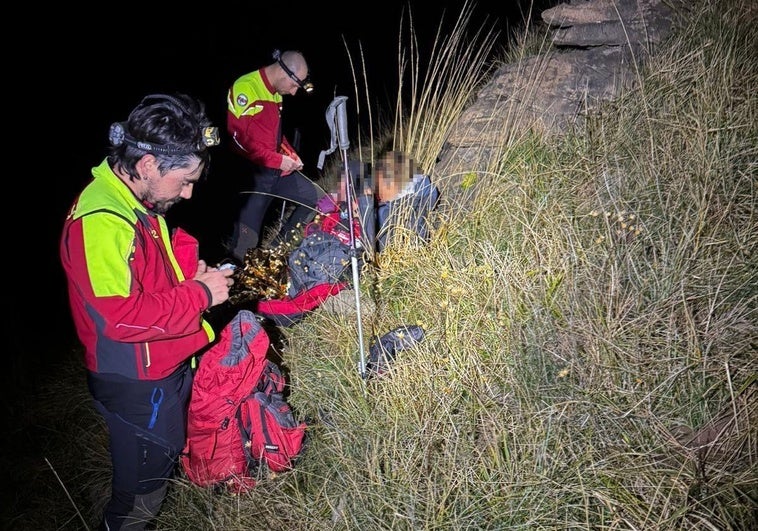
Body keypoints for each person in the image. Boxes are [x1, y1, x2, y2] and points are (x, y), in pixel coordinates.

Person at [59, 93, 235, 530]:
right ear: (149, 165)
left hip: (162, 362)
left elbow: (143, 274)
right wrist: (197, 295)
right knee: (139, 498)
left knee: (165, 456)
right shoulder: (100, 221)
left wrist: (187, 278)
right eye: (185, 179)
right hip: (134, 382)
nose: (190, 192)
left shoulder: (136, 199)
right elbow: (117, 317)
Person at [226, 49, 323, 261]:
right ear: (283, 72)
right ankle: (238, 286)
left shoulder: (276, 91)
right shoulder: (246, 88)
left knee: (316, 199)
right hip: (253, 178)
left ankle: (276, 253)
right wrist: (279, 160)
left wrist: (290, 153)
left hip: (276, 171)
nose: (294, 92)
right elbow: (237, 141)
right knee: (244, 247)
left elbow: (274, 133)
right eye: (294, 85)